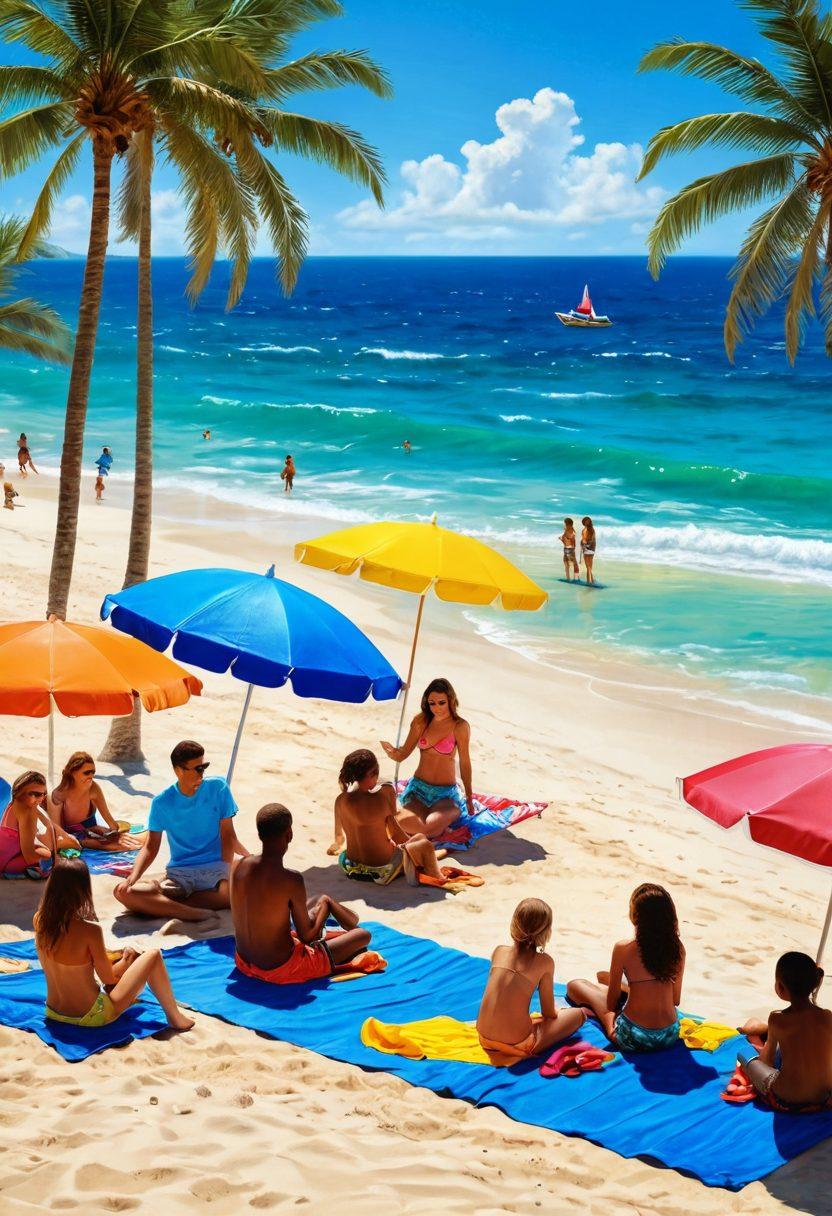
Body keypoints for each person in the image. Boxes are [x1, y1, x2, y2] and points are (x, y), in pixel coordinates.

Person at [35, 858, 194, 1031]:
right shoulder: (90, 931)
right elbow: (108, 979)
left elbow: (73, 955)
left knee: (126, 959)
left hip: (53, 1012)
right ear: (82, 891)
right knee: (153, 955)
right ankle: (175, 1017)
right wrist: (126, 960)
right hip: (91, 1015)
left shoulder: (40, 920)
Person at [232, 803, 372, 983]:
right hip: (282, 969)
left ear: (260, 835)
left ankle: (325, 907)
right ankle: (328, 904)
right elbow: (307, 937)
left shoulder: (238, 866)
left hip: (243, 962)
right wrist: (326, 907)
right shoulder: (290, 879)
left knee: (316, 914)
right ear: (289, 835)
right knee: (363, 935)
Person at [113, 740, 239, 923]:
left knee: (229, 894)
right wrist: (133, 877)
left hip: (215, 868)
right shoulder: (162, 803)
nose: (202, 774)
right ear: (178, 770)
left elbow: (228, 835)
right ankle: (186, 911)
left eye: (203, 768)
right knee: (121, 892)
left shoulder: (219, 788)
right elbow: (150, 847)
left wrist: (224, 870)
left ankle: (164, 904)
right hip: (181, 873)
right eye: (197, 769)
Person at [566, 883, 685, 1051]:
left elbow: (611, 1002)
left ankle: (625, 991)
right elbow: (675, 1000)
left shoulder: (624, 949)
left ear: (635, 916)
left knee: (576, 986)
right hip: (669, 1034)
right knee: (607, 979)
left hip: (635, 1037)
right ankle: (629, 989)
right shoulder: (678, 949)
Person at [477, 898, 588, 1060]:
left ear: (514, 924)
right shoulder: (545, 962)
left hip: (484, 1037)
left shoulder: (499, 951)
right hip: (518, 1042)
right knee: (578, 1015)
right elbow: (549, 1013)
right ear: (546, 931)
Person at [329, 748, 447, 885]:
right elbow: (399, 837)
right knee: (422, 841)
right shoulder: (380, 798)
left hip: (351, 866)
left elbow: (339, 839)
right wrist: (417, 846)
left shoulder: (340, 800)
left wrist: (335, 846)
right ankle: (438, 875)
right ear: (373, 773)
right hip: (381, 869)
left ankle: (432, 854)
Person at [737, 952, 832, 1112]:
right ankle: (758, 1030)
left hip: (787, 1102)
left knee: (743, 1054)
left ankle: (754, 1031)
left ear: (780, 987)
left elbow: (766, 1061)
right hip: (824, 1099)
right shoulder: (827, 1016)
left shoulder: (777, 1019)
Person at [381, 677, 474, 838]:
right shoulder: (420, 722)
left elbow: (465, 763)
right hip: (418, 790)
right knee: (399, 822)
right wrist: (392, 753)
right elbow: (403, 754)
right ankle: (440, 828)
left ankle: (452, 813)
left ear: (451, 700)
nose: (437, 708)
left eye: (441, 702)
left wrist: (469, 796)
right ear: (427, 702)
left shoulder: (460, 726)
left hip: (445, 794)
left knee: (429, 826)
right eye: (432, 703)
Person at [0, 771, 76, 878]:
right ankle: (39, 871)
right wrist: (52, 858)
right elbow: (29, 857)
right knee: (46, 853)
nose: (40, 798)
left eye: (42, 794)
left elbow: (49, 824)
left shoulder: (14, 803)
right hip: (8, 864)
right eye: (35, 794)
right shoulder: (27, 812)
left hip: (4, 854)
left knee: (45, 843)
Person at [47, 752, 129, 849]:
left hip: (89, 827)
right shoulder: (60, 794)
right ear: (73, 773)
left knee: (120, 841)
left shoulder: (93, 788)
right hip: (68, 832)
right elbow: (57, 831)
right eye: (86, 773)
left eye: (93, 772)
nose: (91, 776)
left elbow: (110, 820)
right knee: (108, 846)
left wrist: (113, 833)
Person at [560, 517, 579, 582]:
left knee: (567, 564)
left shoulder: (568, 531)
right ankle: (575, 579)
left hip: (566, 549)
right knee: (574, 564)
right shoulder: (572, 531)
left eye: (565, 523)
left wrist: (562, 539)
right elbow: (573, 542)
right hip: (570, 549)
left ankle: (568, 578)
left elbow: (569, 540)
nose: (564, 525)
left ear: (567, 524)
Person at [581, 516, 597, 585]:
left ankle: (589, 582)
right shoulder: (583, 530)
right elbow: (583, 539)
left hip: (590, 548)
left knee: (589, 566)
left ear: (590, 522)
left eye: (588, 521)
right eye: (585, 521)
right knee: (588, 566)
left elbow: (593, 540)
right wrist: (583, 546)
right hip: (585, 548)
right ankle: (592, 580)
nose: (587, 522)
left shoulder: (592, 529)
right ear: (583, 522)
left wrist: (586, 545)